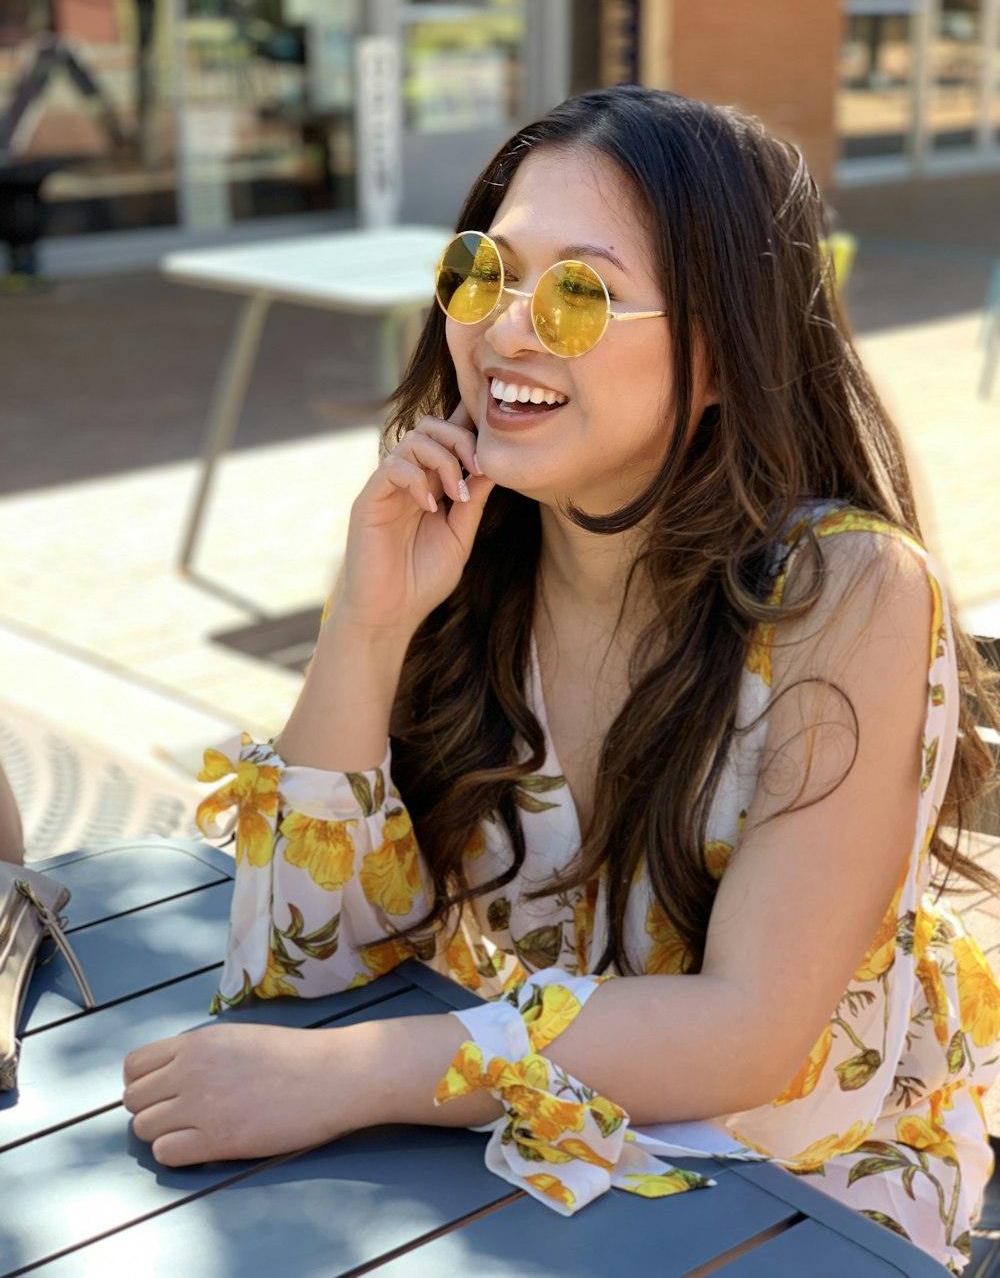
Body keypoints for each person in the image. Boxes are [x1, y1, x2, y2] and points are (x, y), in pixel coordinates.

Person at [122, 86, 1000, 1271]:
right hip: (532, 1169)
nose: (506, 330)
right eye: (487, 272)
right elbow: (305, 961)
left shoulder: (848, 596)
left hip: (802, 1195)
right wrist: (367, 623)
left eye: (580, 293)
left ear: (718, 359)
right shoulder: (472, 558)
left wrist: (347, 1076)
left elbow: (745, 1034)